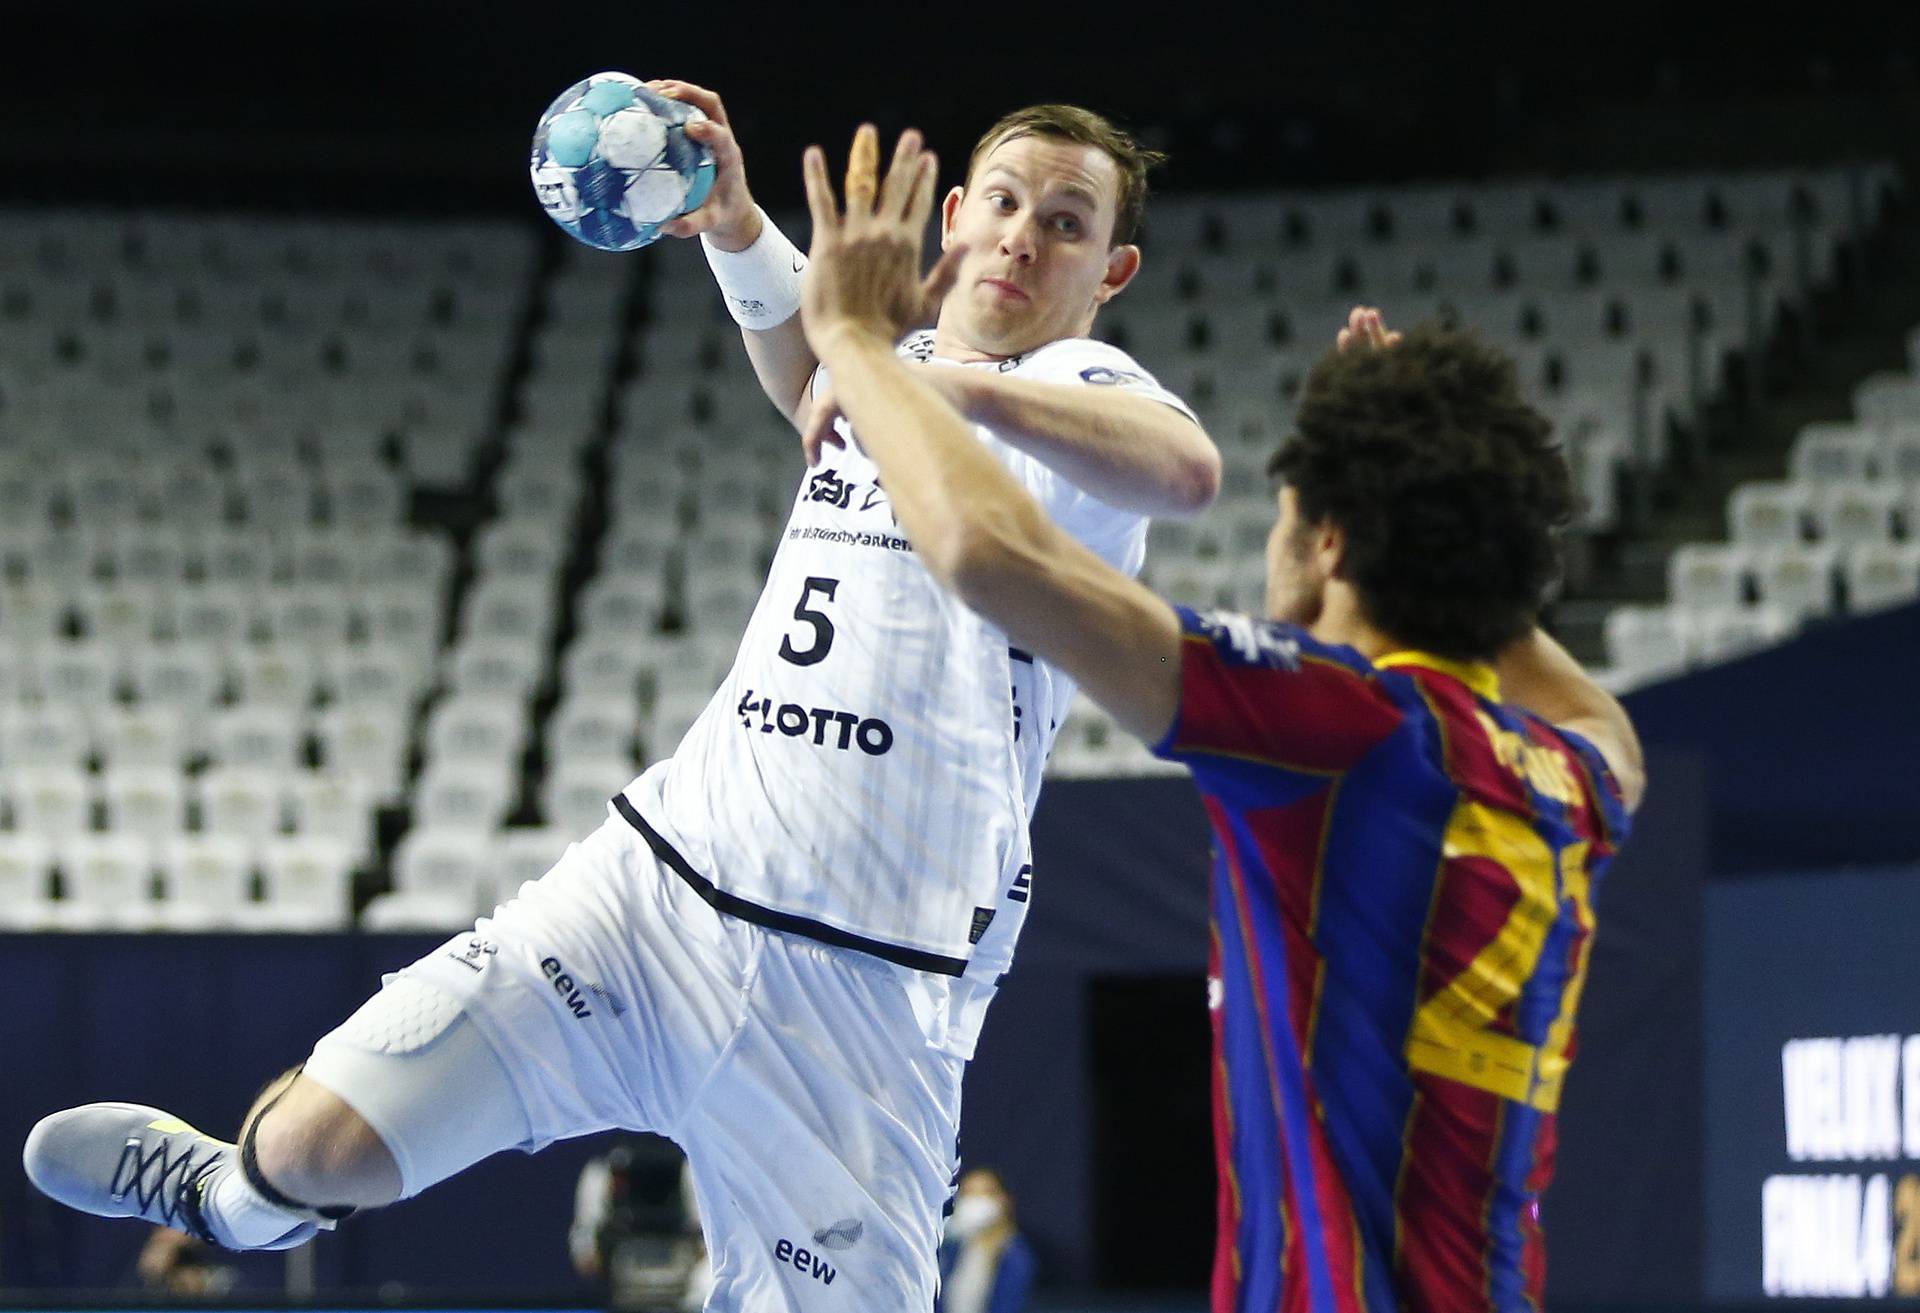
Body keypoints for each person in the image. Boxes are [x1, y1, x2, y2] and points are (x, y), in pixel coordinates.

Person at [22, 100, 1218, 1313]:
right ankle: (226, 1201)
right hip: (658, 897)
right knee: (312, 1147)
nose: (1026, 238)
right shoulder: (886, 370)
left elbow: (1184, 468)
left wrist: (953, 388)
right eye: (1006, 204)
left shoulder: (1072, 380)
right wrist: (738, 224)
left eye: (1066, 225)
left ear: (1110, 271)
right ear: (955, 218)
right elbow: (812, 359)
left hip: (869, 988)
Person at [786, 129, 1645, 1313]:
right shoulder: (1579, 777)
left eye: (1298, 512)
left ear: (1333, 541)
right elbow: (1590, 703)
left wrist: (853, 341)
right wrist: (1421, 478)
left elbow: (986, 550)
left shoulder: (1329, 730)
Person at [936, 1168, 1035, 1313]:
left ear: (1003, 1200)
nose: (974, 1201)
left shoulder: (1016, 1257)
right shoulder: (950, 1250)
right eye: (968, 1193)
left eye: (984, 1193)